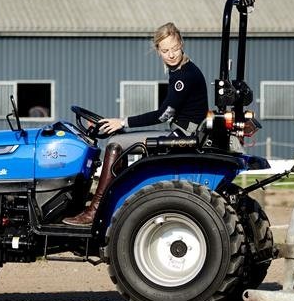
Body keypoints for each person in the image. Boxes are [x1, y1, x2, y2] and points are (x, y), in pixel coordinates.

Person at [63, 22, 208, 225]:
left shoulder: (183, 76)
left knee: (115, 144)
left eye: (174, 49)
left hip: (182, 135)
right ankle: (111, 203)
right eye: (166, 50)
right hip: (181, 131)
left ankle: (95, 211)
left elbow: (163, 115)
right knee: (119, 138)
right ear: (158, 50)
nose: (171, 55)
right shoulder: (183, 71)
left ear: (181, 44)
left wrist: (123, 121)